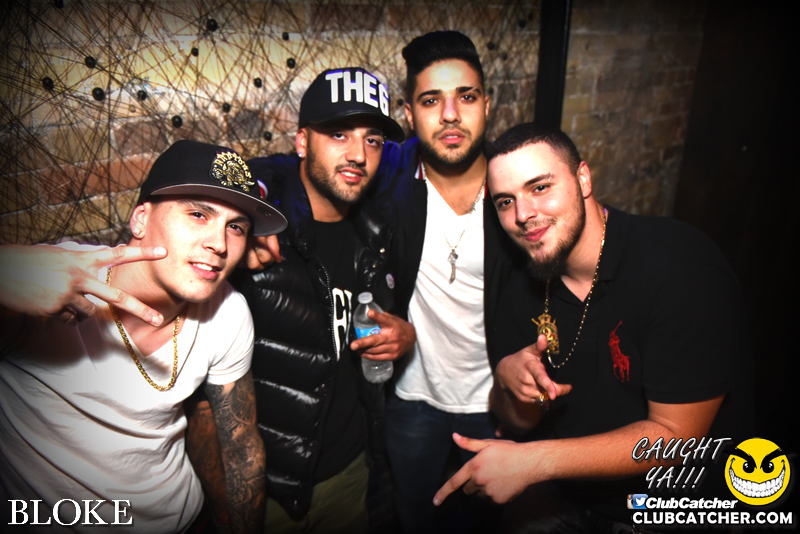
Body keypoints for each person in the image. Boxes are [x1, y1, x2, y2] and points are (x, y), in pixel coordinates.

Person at [433, 123, 754, 533]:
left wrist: (533, 462)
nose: (523, 215)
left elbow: (677, 438)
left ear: (583, 179)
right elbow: (519, 421)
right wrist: (509, 380)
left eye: (540, 187)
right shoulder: (521, 285)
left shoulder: (680, 270)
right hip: (568, 492)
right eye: (505, 201)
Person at [0, 140, 287, 532]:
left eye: (236, 227)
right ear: (140, 220)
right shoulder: (46, 291)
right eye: (198, 214)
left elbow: (241, 447)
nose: (219, 244)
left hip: (185, 519)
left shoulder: (228, 311)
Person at [185, 67, 416, 534]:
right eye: (339, 134)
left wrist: (406, 337)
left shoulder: (380, 229)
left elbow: (384, 318)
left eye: (373, 140)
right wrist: (246, 209)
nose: (358, 154)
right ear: (303, 142)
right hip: (265, 490)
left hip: (351, 475)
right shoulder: (255, 227)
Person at [374, 31, 527, 534]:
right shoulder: (392, 174)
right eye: (431, 101)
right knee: (415, 514)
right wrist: (255, 203)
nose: (450, 115)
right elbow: (302, 168)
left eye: (466, 96)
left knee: (488, 522)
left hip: (495, 401)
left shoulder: (516, 187)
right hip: (412, 397)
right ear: (409, 114)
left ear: (487, 104)